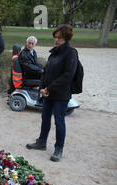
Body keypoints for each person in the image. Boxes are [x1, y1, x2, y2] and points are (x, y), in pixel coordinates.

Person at [26, 25, 79, 162]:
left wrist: (49, 88)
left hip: (61, 94)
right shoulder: (54, 52)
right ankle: (41, 142)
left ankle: (58, 149)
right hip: (47, 93)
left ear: (66, 38)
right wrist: (42, 87)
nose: (56, 40)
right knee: (45, 117)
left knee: (59, 121)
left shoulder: (71, 53)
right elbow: (45, 70)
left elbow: (68, 75)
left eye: (59, 38)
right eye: (55, 37)